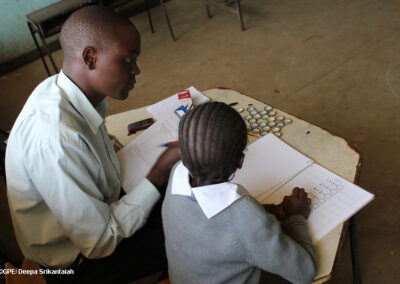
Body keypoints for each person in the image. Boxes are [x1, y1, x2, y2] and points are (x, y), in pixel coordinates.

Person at [6, 5, 179, 283]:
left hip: (98, 207)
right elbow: (98, 242)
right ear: (90, 57)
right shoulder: (57, 138)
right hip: (76, 262)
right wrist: (158, 171)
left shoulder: (65, 89)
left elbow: (90, 138)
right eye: (128, 59)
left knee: (174, 193)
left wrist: (109, 145)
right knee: (189, 227)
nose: (137, 69)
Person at [162, 102, 317, 284]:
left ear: (182, 152)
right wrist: (295, 216)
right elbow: (305, 272)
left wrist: (268, 212)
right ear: (240, 161)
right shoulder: (242, 216)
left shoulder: (176, 174)